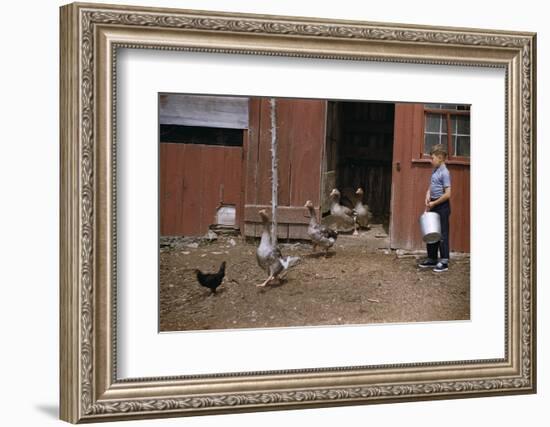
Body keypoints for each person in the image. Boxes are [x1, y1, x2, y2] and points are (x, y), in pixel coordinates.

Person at [418, 144, 451, 273]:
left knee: (442, 233)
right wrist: (428, 194)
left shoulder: (445, 172)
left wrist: (435, 203)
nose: (431, 161)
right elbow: (431, 186)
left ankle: (444, 261)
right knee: (431, 231)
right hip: (433, 203)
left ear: (440, 157)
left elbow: (448, 194)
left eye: (432, 158)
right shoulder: (435, 170)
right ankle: (432, 258)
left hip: (442, 206)